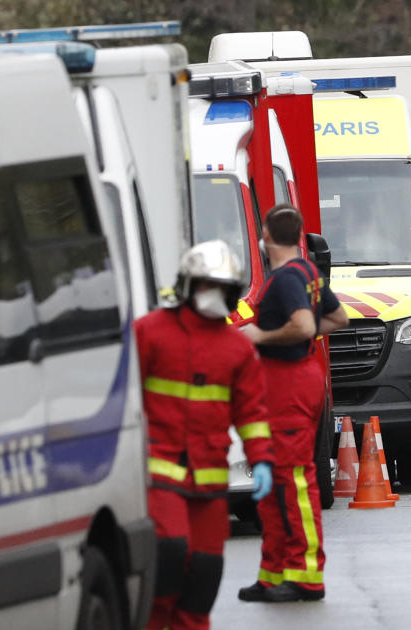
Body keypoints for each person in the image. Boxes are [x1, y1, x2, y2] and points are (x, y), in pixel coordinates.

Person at [137, 240, 274, 630]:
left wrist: (262, 459)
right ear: (187, 285)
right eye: (205, 285)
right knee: (168, 557)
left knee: (203, 577)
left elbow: (252, 413)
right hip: (160, 475)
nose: (212, 295)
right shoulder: (150, 333)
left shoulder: (236, 349)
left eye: (221, 288)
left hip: (210, 481)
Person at [237, 205, 349, 602]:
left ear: (265, 236)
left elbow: (303, 325)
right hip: (296, 377)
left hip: (287, 383)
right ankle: (274, 572)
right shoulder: (308, 273)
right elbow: (338, 319)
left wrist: (259, 337)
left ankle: (305, 574)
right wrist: (303, 337)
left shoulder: (286, 278)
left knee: (292, 478)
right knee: (274, 478)